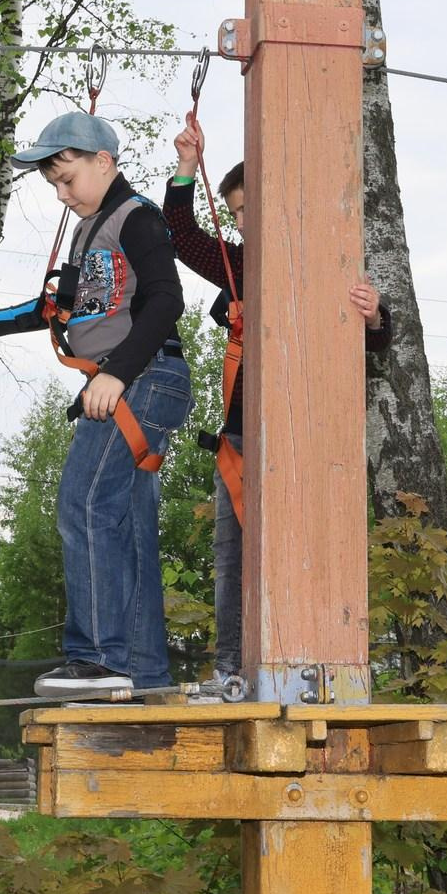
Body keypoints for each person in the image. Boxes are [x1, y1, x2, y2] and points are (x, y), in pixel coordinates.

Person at [0, 111, 190, 700]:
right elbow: (58, 307)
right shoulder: (89, 230)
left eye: (67, 177)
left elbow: (165, 300)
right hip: (130, 380)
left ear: (104, 162)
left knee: (84, 502)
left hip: (141, 378)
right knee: (126, 523)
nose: (61, 192)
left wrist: (118, 375)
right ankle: (145, 671)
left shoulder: (137, 219)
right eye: (52, 182)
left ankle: (99, 660)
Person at [163, 116, 387, 693]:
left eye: (247, 210)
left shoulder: (325, 261)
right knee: (233, 555)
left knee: (306, 546)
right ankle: (231, 668)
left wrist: (374, 317)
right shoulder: (241, 265)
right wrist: (188, 167)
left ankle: (317, 655)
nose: (240, 223)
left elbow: (372, 338)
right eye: (234, 215)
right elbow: (183, 236)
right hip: (242, 433)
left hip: (305, 431)